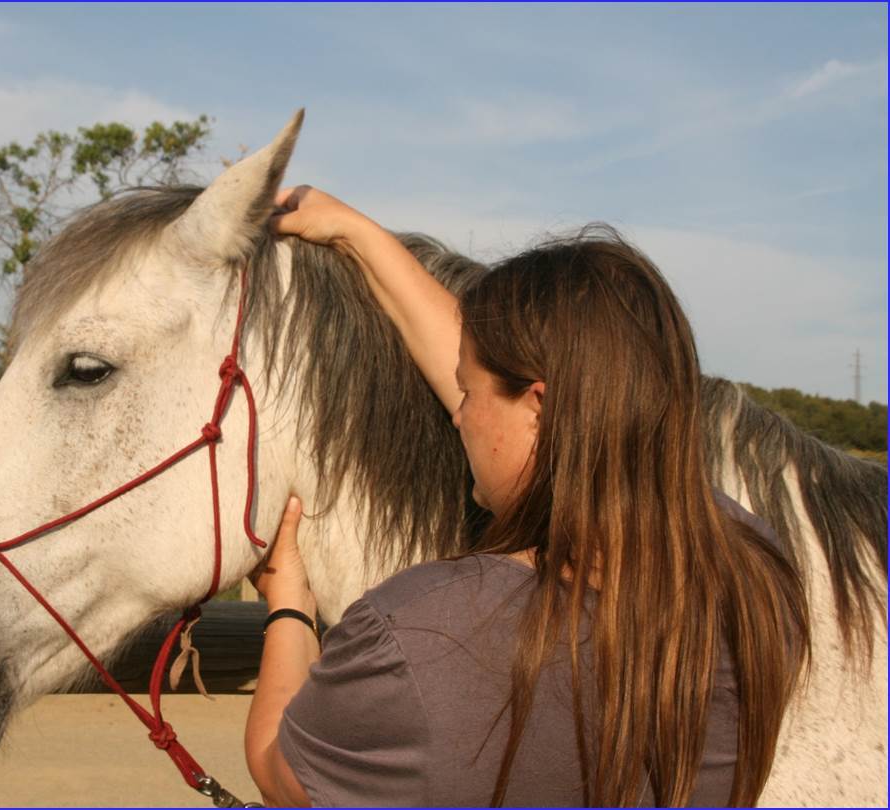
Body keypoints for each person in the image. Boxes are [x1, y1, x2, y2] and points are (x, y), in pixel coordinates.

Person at [243, 187, 809, 807]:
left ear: (539, 406)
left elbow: (281, 771)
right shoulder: (757, 573)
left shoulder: (423, 634)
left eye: (467, 394)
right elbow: (554, 401)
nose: (458, 418)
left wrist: (290, 607)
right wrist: (357, 234)